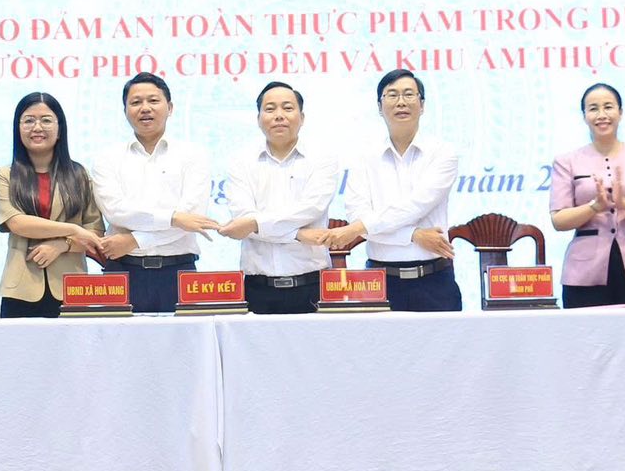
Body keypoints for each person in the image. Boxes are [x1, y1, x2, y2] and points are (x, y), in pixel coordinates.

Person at [332, 69, 461, 311]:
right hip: (379, 281)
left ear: (422, 105)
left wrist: (360, 228)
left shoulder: (443, 153)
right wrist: (414, 235)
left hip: (435, 280)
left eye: (409, 94)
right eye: (392, 95)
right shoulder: (363, 157)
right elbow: (358, 216)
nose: (401, 102)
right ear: (380, 107)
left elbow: (415, 205)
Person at [89, 73, 215, 313]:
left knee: (184, 338)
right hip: (122, 270)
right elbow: (116, 211)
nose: (145, 108)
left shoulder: (193, 155)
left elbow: (191, 217)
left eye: (153, 101)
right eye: (136, 102)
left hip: (178, 271)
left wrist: (135, 240)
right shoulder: (107, 158)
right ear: (125, 111)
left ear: (170, 107)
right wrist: (173, 217)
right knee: (117, 338)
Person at [220, 81, 339, 315]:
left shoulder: (322, 159)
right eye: (270, 109)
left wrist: (255, 223)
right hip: (257, 288)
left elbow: (311, 209)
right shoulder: (241, 162)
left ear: (302, 117)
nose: (279, 115)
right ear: (258, 119)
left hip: (313, 285)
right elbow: (243, 218)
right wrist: (298, 234)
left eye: (287, 108)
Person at [548, 82, 625, 308]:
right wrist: (594, 207)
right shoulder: (566, 161)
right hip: (583, 272)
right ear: (584, 116)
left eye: (608, 107)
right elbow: (559, 220)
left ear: (620, 112)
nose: (601, 115)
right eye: (593, 108)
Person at [0, 92, 104, 318]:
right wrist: (73, 230)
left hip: (71, 286)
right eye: (28, 120)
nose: (37, 127)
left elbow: (95, 232)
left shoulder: (79, 175)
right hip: (20, 288)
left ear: (60, 129)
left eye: (46, 120)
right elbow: (17, 223)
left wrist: (63, 244)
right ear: (18, 128)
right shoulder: (6, 175)